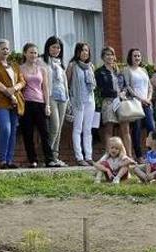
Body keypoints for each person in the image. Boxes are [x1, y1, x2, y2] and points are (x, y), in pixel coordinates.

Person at [0, 39, 25, 169]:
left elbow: (22, 81)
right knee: (6, 128)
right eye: (3, 48)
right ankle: (2, 160)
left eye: (7, 48)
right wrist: (8, 92)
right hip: (0, 100)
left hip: (15, 100)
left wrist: (14, 89)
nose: (5, 51)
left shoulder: (14, 65)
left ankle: (9, 160)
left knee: (13, 130)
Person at [18, 43, 54, 168]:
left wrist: (47, 105)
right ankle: (32, 160)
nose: (33, 55)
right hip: (26, 104)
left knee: (45, 133)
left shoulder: (42, 69)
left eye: (35, 53)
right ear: (25, 53)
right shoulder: (20, 69)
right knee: (28, 133)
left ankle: (49, 159)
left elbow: (45, 88)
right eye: (31, 52)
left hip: (40, 103)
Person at [96, 46, 132, 159]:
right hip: (109, 101)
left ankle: (129, 156)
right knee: (109, 130)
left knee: (125, 129)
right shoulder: (100, 72)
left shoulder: (118, 71)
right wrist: (116, 93)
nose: (110, 57)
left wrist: (123, 93)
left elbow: (125, 86)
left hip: (121, 101)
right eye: (107, 54)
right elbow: (101, 88)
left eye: (111, 54)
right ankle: (109, 156)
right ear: (103, 57)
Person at [66, 42, 96, 166]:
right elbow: (67, 84)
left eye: (87, 51)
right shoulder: (72, 65)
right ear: (77, 52)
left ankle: (89, 156)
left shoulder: (91, 66)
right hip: (77, 101)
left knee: (88, 129)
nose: (85, 53)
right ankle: (79, 157)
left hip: (90, 100)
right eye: (83, 50)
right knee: (77, 129)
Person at [41, 37, 68, 167]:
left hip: (63, 97)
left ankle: (55, 157)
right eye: (53, 47)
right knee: (54, 127)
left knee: (59, 129)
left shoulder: (60, 63)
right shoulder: (42, 61)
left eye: (58, 47)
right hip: (50, 97)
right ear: (48, 47)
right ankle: (48, 156)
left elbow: (65, 82)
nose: (56, 50)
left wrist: (68, 98)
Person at [123, 48, 155, 159]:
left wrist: (148, 98)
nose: (137, 58)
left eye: (139, 56)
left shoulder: (144, 70)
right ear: (130, 57)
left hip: (147, 103)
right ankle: (139, 155)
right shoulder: (127, 70)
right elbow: (128, 87)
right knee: (136, 129)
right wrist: (141, 99)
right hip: (135, 103)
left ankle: (151, 153)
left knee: (151, 128)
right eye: (135, 56)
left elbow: (150, 87)